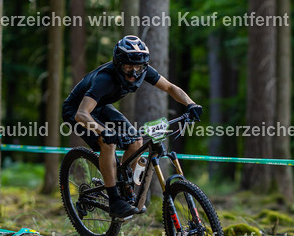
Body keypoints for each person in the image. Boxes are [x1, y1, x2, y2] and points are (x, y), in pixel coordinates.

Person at [63, 35, 203, 218]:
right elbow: (81, 114)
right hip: (77, 111)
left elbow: (169, 87)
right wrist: (104, 131)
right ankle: (114, 200)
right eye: (128, 66)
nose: (134, 72)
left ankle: (122, 184)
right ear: (118, 63)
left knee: (135, 140)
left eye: (138, 67)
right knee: (108, 142)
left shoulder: (144, 70)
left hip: (101, 107)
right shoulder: (104, 79)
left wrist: (191, 104)